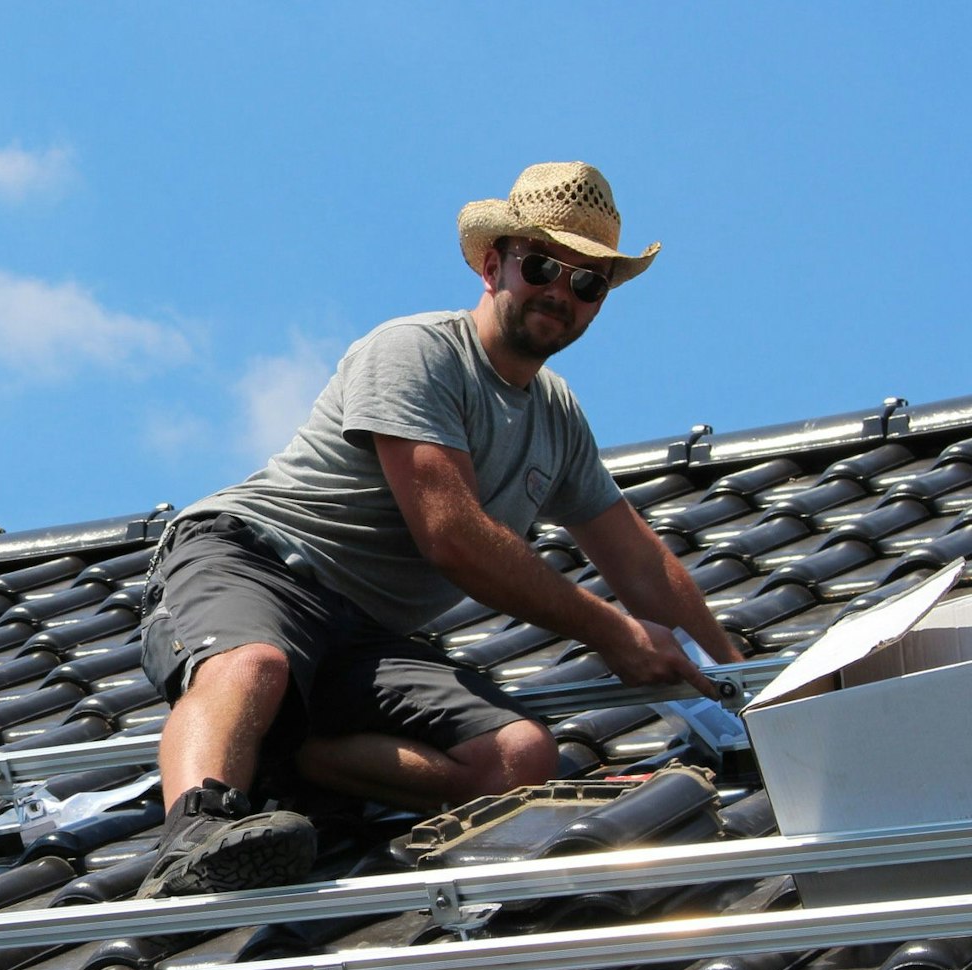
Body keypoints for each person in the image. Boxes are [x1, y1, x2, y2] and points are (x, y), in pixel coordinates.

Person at [138, 162, 741, 898]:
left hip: (365, 635)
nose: (561, 291)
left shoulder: (557, 418)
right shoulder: (417, 353)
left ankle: (285, 755)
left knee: (520, 756)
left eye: (588, 283)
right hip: (256, 564)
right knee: (256, 664)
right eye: (544, 265)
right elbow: (451, 534)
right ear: (495, 264)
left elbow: (638, 563)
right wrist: (614, 633)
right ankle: (195, 836)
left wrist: (735, 689)